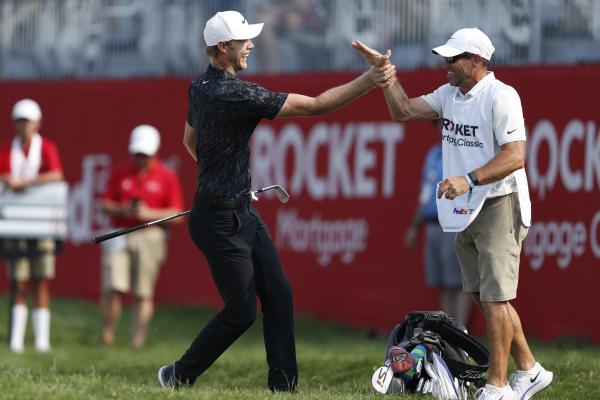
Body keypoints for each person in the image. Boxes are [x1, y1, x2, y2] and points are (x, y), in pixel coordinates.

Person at [157, 10, 395, 392]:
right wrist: (371, 79)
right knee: (240, 312)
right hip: (220, 224)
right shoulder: (235, 93)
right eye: (244, 40)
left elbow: (189, 141)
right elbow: (317, 105)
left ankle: (283, 386)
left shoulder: (198, 87)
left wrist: (223, 175)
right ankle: (178, 375)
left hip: (237, 212)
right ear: (223, 47)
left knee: (279, 294)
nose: (251, 45)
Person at [353, 28, 553, 400]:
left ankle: (498, 386)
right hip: (466, 208)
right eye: (444, 58)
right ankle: (530, 369)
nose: (445, 65)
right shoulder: (449, 94)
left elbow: (515, 156)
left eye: (453, 58)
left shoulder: (501, 95)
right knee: (483, 295)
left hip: (499, 201)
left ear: (477, 60)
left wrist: (469, 180)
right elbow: (404, 111)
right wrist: (386, 75)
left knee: (495, 298)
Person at [100, 124, 184, 348]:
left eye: (145, 155)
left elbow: (178, 215)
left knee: (143, 291)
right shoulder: (121, 172)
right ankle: (107, 336)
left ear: (154, 152)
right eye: (137, 154)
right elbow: (105, 204)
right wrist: (124, 210)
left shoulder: (166, 175)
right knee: (113, 287)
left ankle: (137, 341)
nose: (141, 159)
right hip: (120, 233)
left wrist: (149, 213)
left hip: (150, 235)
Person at [0, 99, 64, 353]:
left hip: (42, 223)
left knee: (41, 279)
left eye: (28, 121)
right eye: (20, 121)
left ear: (37, 123)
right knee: (18, 281)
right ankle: (16, 340)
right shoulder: (7, 149)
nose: (24, 126)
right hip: (15, 224)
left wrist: (25, 183)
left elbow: (56, 174)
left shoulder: (47, 147)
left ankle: (41, 340)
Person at [404, 140, 472, 326]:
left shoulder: (463, 154)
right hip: (432, 224)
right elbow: (425, 193)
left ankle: (460, 331)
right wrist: (415, 226)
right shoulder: (433, 154)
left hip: (454, 224)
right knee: (443, 283)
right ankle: (448, 331)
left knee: (458, 283)